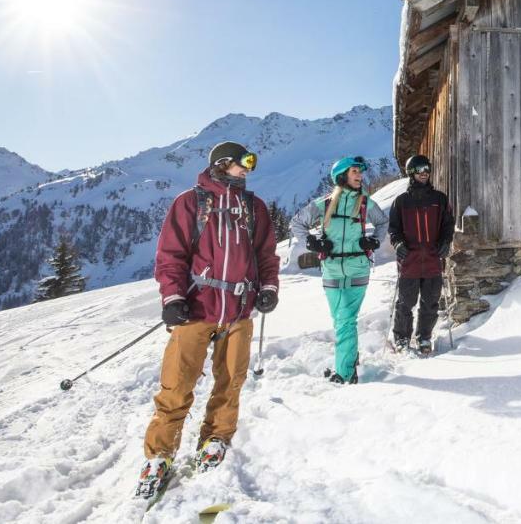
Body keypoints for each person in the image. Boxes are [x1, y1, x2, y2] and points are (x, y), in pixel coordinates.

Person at [135, 141, 279, 498]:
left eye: (250, 162)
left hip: (239, 310)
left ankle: (215, 439)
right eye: (243, 162)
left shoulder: (253, 207)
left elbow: (266, 255)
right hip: (197, 309)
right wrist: (172, 297)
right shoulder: (191, 203)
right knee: (177, 384)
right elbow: (170, 255)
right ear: (223, 163)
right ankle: (160, 455)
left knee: (230, 383)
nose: (247, 168)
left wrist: (270, 287)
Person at [290, 155, 388, 384]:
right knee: (340, 320)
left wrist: (374, 241)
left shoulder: (365, 202)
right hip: (332, 269)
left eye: (360, 172)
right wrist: (312, 243)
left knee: (346, 319)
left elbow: (383, 223)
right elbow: (297, 222)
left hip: (358, 268)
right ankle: (350, 359)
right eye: (355, 171)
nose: (360, 176)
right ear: (342, 175)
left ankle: (344, 373)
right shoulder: (325, 203)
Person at [388, 154, 455, 355]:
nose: (424, 173)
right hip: (410, 260)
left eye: (427, 168)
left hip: (433, 259)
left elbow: (447, 225)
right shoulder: (401, 202)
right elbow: (394, 229)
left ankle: (424, 337)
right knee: (406, 302)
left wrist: (445, 242)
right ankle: (401, 337)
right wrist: (398, 243)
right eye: (419, 169)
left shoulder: (439, 199)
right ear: (411, 173)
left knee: (430, 303)